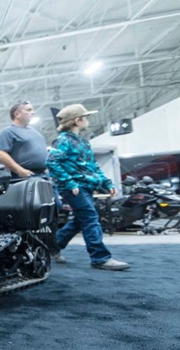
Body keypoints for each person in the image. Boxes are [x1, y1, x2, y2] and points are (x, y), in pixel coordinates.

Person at [47, 104, 130, 271]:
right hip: (75, 188)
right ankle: (100, 258)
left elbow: (92, 166)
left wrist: (107, 183)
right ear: (77, 120)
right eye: (85, 117)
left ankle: (52, 246)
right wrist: (70, 183)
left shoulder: (82, 142)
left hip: (84, 186)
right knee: (91, 218)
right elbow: (51, 162)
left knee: (80, 220)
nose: (87, 120)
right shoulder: (63, 141)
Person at [0, 100, 64, 260]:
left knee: (54, 208)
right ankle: (28, 248)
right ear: (17, 114)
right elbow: (1, 154)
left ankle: (51, 247)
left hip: (43, 177)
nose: (32, 112)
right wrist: (19, 170)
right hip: (24, 178)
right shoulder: (9, 132)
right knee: (30, 214)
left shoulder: (35, 132)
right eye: (28, 109)